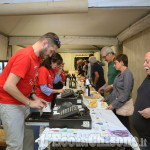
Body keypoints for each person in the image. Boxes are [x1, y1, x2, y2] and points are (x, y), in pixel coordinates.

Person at [0, 32, 60, 150]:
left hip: (22, 103)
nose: (50, 55)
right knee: (15, 145)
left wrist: (34, 97)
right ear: (45, 43)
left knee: (29, 140)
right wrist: (30, 103)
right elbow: (9, 86)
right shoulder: (25, 56)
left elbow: (27, 82)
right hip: (11, 104)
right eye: (51, 51)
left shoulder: (37, 59)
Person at [101, 54, 134, 132]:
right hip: (117, 105)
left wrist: (113, 105)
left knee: (124, 128)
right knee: (117, 127)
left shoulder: (127, 74)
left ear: (122, 62)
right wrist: (105, 99)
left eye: (115, 63)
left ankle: (126, 143)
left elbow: (125, 94)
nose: (114, 65)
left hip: (122, 106)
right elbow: (115, 91)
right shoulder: (120, 74)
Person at [133, 52, 150, 150]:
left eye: (147, 62)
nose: (144, 65)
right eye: (144, 61)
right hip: (145, 138)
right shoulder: (148, 76)